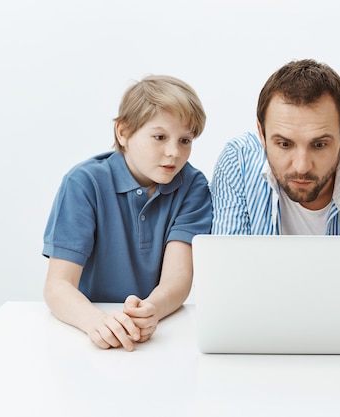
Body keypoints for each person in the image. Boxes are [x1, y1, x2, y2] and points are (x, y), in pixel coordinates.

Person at [42, 75, 212, 351]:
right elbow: (58, 285)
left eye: (185, 140)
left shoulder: (193, 186)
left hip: (157, 332)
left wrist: (151, 310)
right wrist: (95, 322)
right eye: (159, 137)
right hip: (87, 330)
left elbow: (177, 278)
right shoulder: (84, 183)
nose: (173, 153)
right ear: (123, 132)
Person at [211, 59, 340, 236]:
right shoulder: (238, 163)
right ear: (261, 134)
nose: (301, 167)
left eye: (319, 145)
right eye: (285, 144)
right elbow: (228, 271)